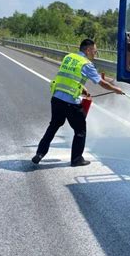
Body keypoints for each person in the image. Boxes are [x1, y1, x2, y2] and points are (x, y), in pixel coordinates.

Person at [32, 39, 124, 167]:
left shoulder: (69, 57)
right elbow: (102, 83)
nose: (95, 54)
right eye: (95, 51)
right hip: (71, 102)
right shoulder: (87, 64)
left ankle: (40, 153)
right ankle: (76, 159)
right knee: (80, 130)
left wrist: (82, 88)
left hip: (57, 98)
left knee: (53, 126)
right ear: (88, 50)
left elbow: (69, 77)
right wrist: (116, 89)